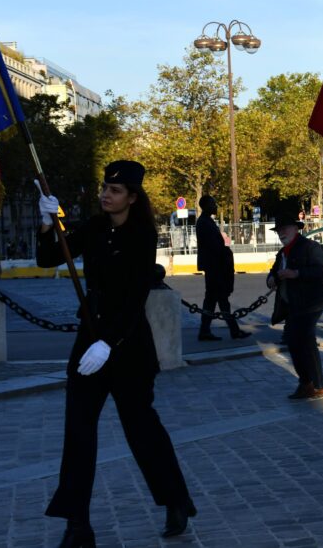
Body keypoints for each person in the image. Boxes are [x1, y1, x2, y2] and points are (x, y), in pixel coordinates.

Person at [35, 161, 196, 546]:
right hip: (88, 341)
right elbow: (48, 258)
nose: (107, 194)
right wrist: (45, 223)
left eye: (116, 190)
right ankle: (77, 524)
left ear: (133, 197)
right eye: (105, 188)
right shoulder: (93, 227)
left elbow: (135, 295)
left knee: (142, 431)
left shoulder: (142, 235)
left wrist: (110, 342)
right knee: (78, 433)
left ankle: (175, 499)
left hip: (128, 346)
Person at [267, 212, 323, 399]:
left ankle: (318, 385)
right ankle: (306, 383)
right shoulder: (282, 253)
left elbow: (321, 270)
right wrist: (271, 278)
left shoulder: (310, 247)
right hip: (292, 305)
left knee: (306, 341)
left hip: (310, 303)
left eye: (284, 228)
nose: (281, 233)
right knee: (294, 343)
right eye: (278, 230)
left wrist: (296, 273)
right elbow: (274, 272)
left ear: (296, 229)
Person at [195, 195, 251, 340]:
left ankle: (206, 331)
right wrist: (225, 252)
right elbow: (213, 246)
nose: (216, 206)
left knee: (213, 300)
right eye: (213, 203)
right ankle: (232, 330)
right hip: (215, 267)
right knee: (220, 300)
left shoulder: (206, 222)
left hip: (214, 266)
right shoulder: (205, 223)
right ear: (206, 205)